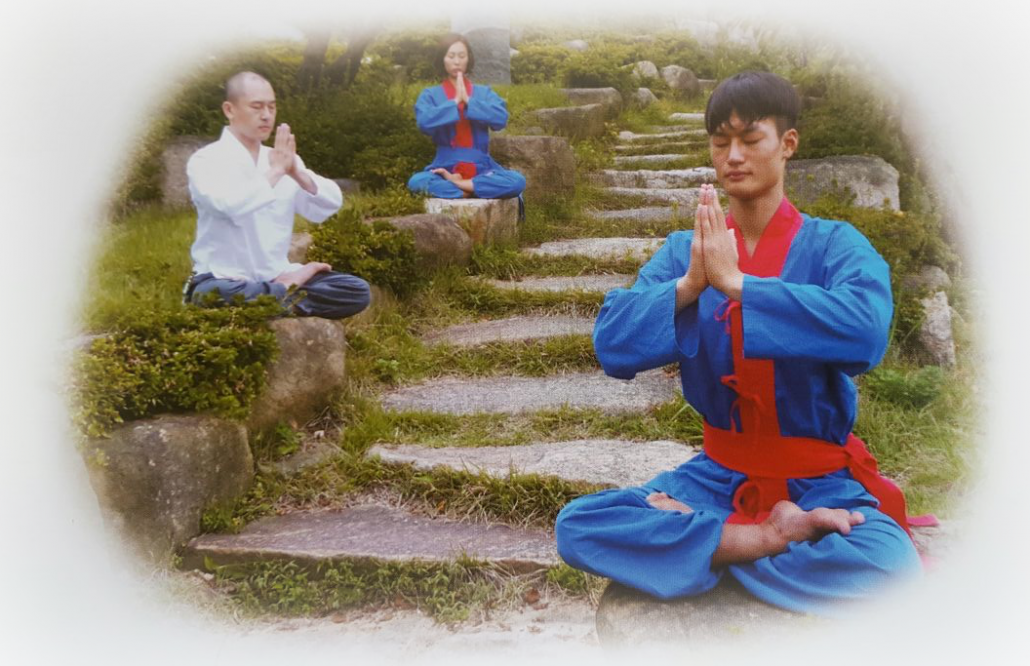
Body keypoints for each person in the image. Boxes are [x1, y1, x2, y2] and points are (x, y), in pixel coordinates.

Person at [554, 71, 923, 617]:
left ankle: (705, 546)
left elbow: (866, 332)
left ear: (787, 143)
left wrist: (739, 286)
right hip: (714, 479)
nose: (733, 156)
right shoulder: (686, 252)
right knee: (578, 526)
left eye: (750, 139)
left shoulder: (835, 244)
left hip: (818, 483)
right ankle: (764, 540)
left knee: (890, 567)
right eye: (720, 141)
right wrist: (691, 284)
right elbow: (612, 342)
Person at [184, 71, 371, 319]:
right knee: (213, 295)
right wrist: (276, 172)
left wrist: (297, 174)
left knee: (355, 291)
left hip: (275, 273)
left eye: (271, 107)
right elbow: (228, 206)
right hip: (222, 277)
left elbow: (328, 206)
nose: (266, 115)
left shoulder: (281, 159)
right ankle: (283, 292)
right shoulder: (206, 160)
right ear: (229, 110)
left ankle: (269, 299)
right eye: (257, 107)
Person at [406, 34, 526, 200]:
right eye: (451, 56)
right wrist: (455, 102)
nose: (457, 61)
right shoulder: (430, 94)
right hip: (445, 166)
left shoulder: (484, 93)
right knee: (416, 182)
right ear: (442, 59)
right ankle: (474, 188)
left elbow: (501, 119)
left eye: (462, 56)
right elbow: (424, 123)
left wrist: (469, 101)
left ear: (468, 59)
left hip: (482, 167)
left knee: (518, 181)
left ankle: (461, 186)